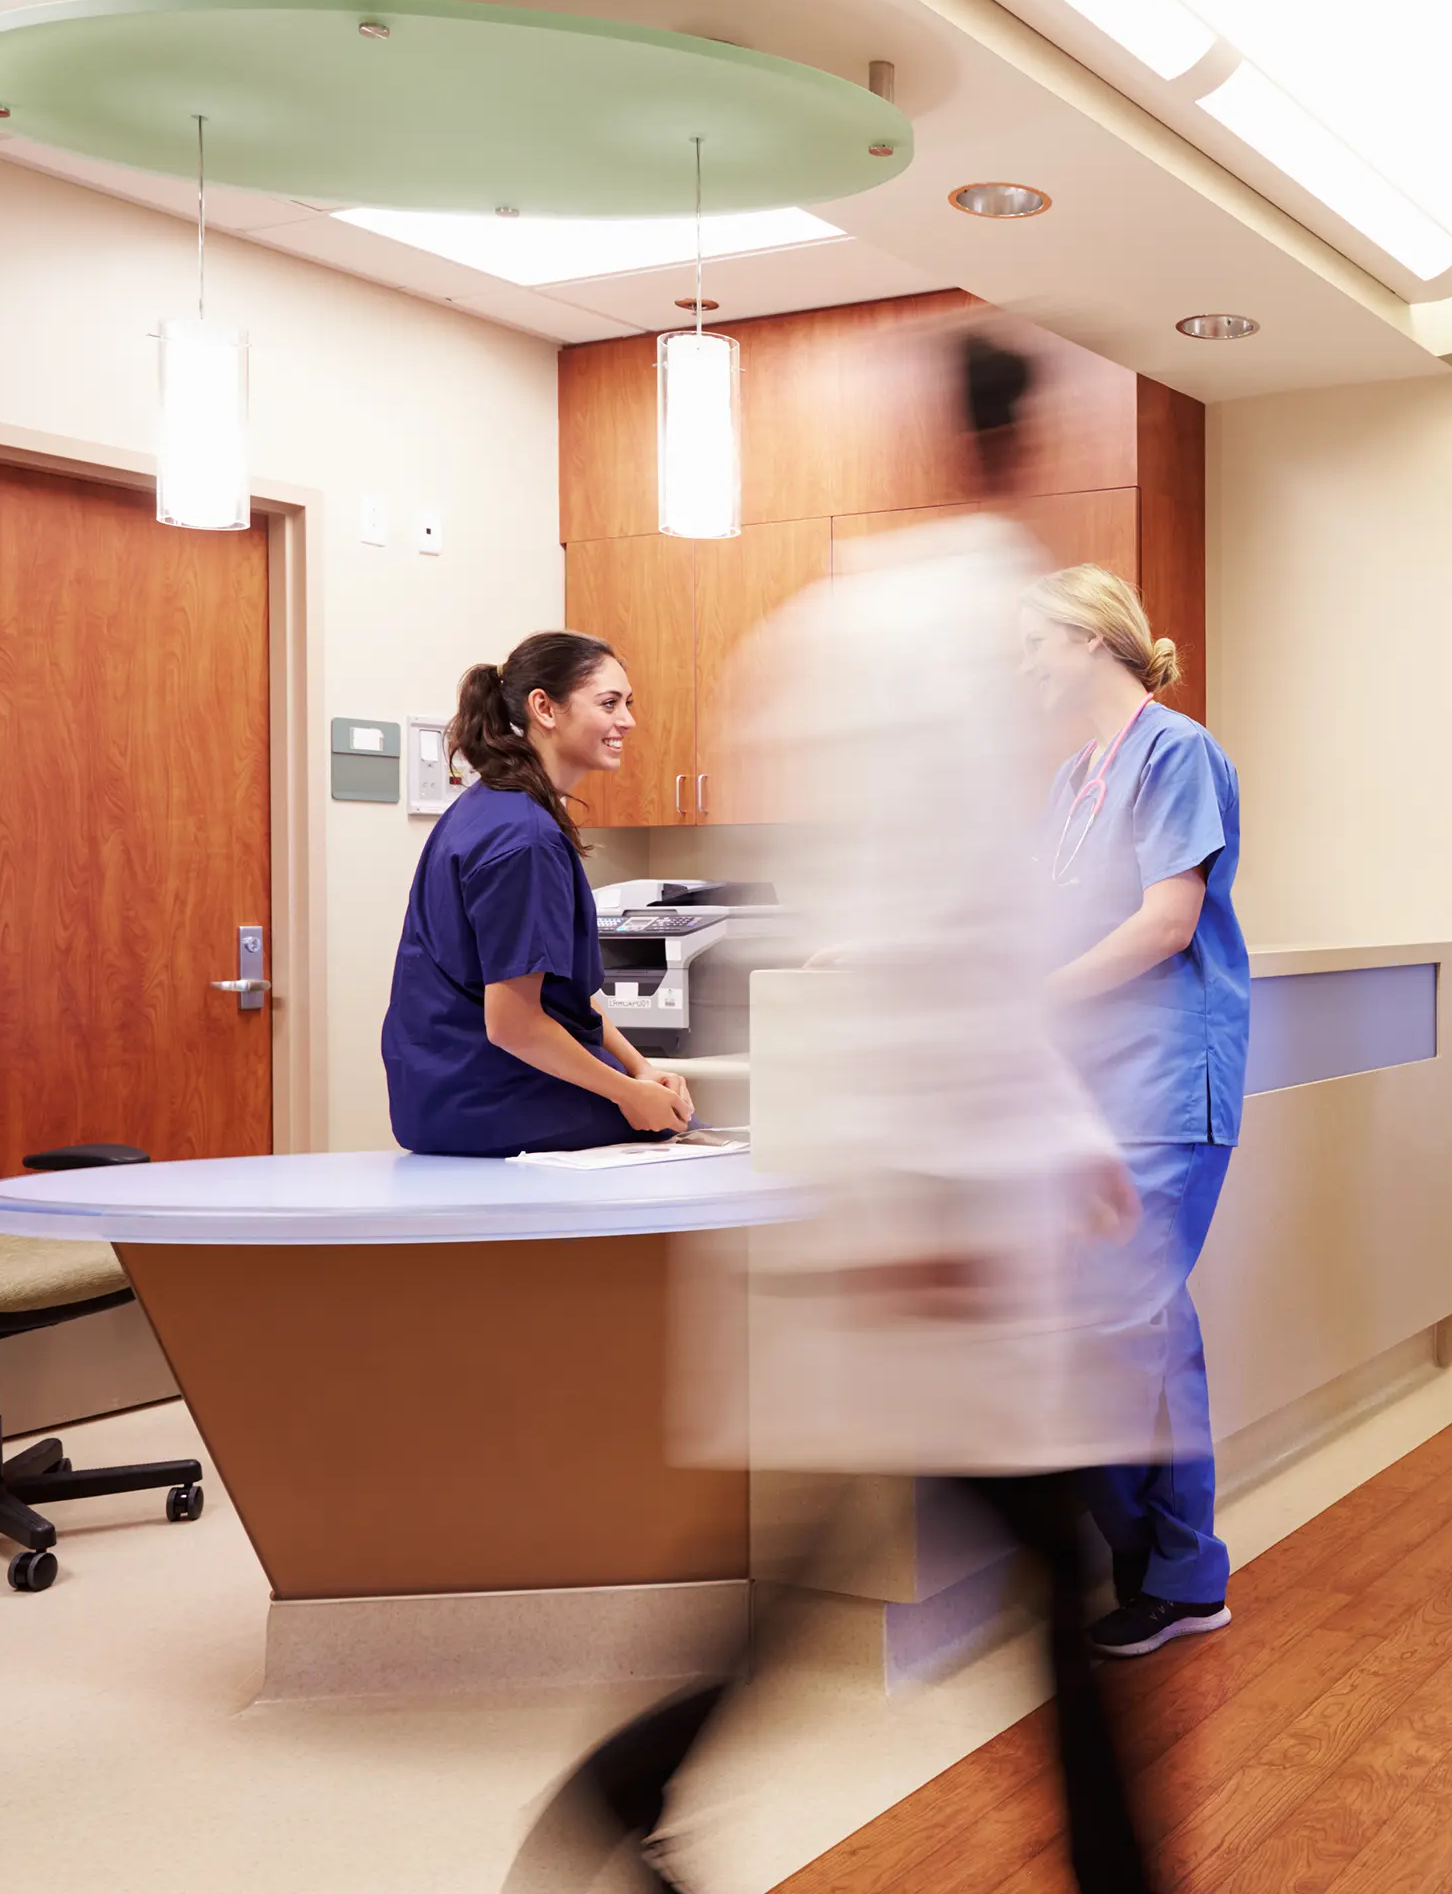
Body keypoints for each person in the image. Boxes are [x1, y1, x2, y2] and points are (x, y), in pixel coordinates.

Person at [513, 334, 1165, 1894]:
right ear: (1016, 448)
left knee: (855, 1557)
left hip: (905, 1179)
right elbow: (941, 926)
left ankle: (629, 1786)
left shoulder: (832, 629)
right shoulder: (950, 643)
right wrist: (952, 1197)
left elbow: (939, 928)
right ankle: (632, 1784)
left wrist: (1048, 1139)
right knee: (1028, 1567)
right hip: (921, 1197)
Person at [1020, 563, 1249, 1660]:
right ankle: (1159, 1560)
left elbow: (1167, 922)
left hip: (1165, 1079)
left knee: (1125, 1328)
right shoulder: (1074, 776)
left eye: (1034, 641)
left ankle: (1175, 1572)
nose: (1023, 663)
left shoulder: (1178, 751)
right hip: (1091, 1088)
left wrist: (1039, 996)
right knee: (1124, 1325)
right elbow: (1025, 916)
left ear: (1091, 637)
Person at [381, 631, 692, 1157]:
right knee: (680, 1135)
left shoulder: (491, 808)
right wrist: (630, 1097)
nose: (628, 722)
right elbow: (514, 1025)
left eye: (628, 704)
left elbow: (560, 995)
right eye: (609, 704)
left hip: (444, 1092)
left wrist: (641, 1069)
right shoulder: (523, 838)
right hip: (489, 1097)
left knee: (669, 1112)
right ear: (544, 708)